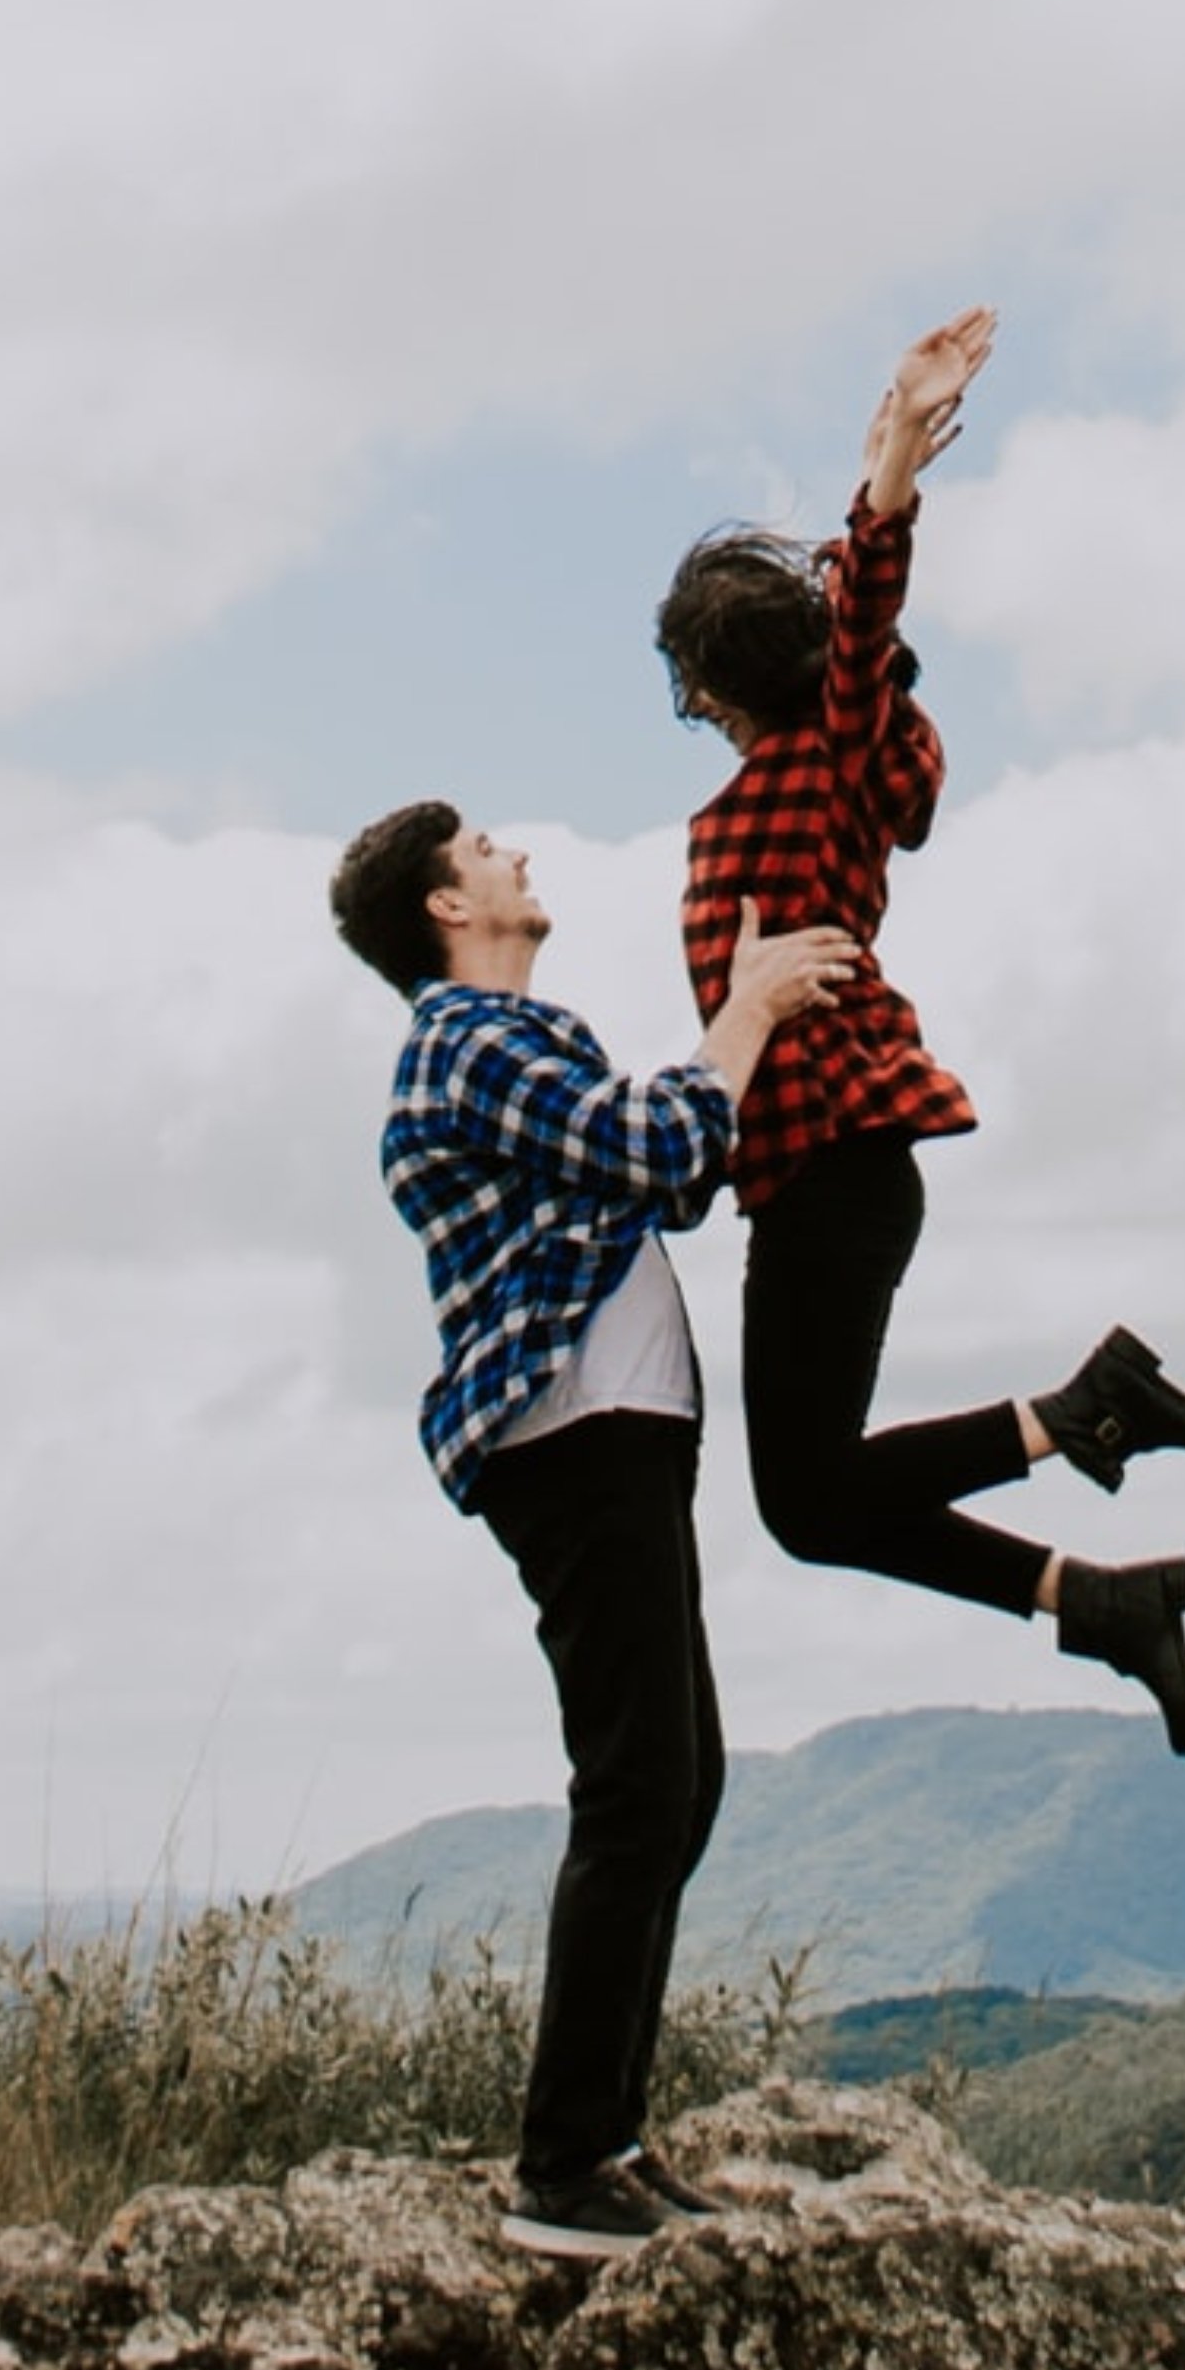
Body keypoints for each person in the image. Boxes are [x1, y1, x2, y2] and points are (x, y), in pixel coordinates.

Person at [655, 306, 1185, 1758]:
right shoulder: (770, 791)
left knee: (803, 1499)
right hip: (809, 1180)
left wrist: (894, 468)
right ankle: (1100, 1592)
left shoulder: (829, 756)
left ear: (714, 689)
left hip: (843, 1167)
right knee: (810, 1502)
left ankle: (1087, 1420)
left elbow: (866, 612)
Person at [330, 798, 856, 2260]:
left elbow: (672, 1171)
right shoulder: (461, 1039)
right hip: (573, 1434)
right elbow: (658, 1136)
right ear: (445, 907)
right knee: (638, 1785)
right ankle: (564, 2165)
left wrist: (708, 1080)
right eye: (483, 850)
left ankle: (607, 2141)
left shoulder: (521, 1040)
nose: (512, 854)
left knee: (674, 1784)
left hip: (618, 1431)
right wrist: (744, 1010)